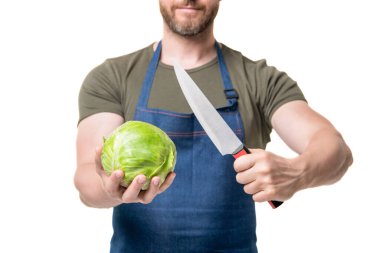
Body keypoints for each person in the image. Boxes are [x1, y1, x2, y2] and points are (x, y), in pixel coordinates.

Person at [74, 0, 353, 252]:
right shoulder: (112, 78)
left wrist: (298, 172)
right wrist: (108, 188)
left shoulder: (259, 80)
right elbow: (86, 178)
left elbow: (335, 148)